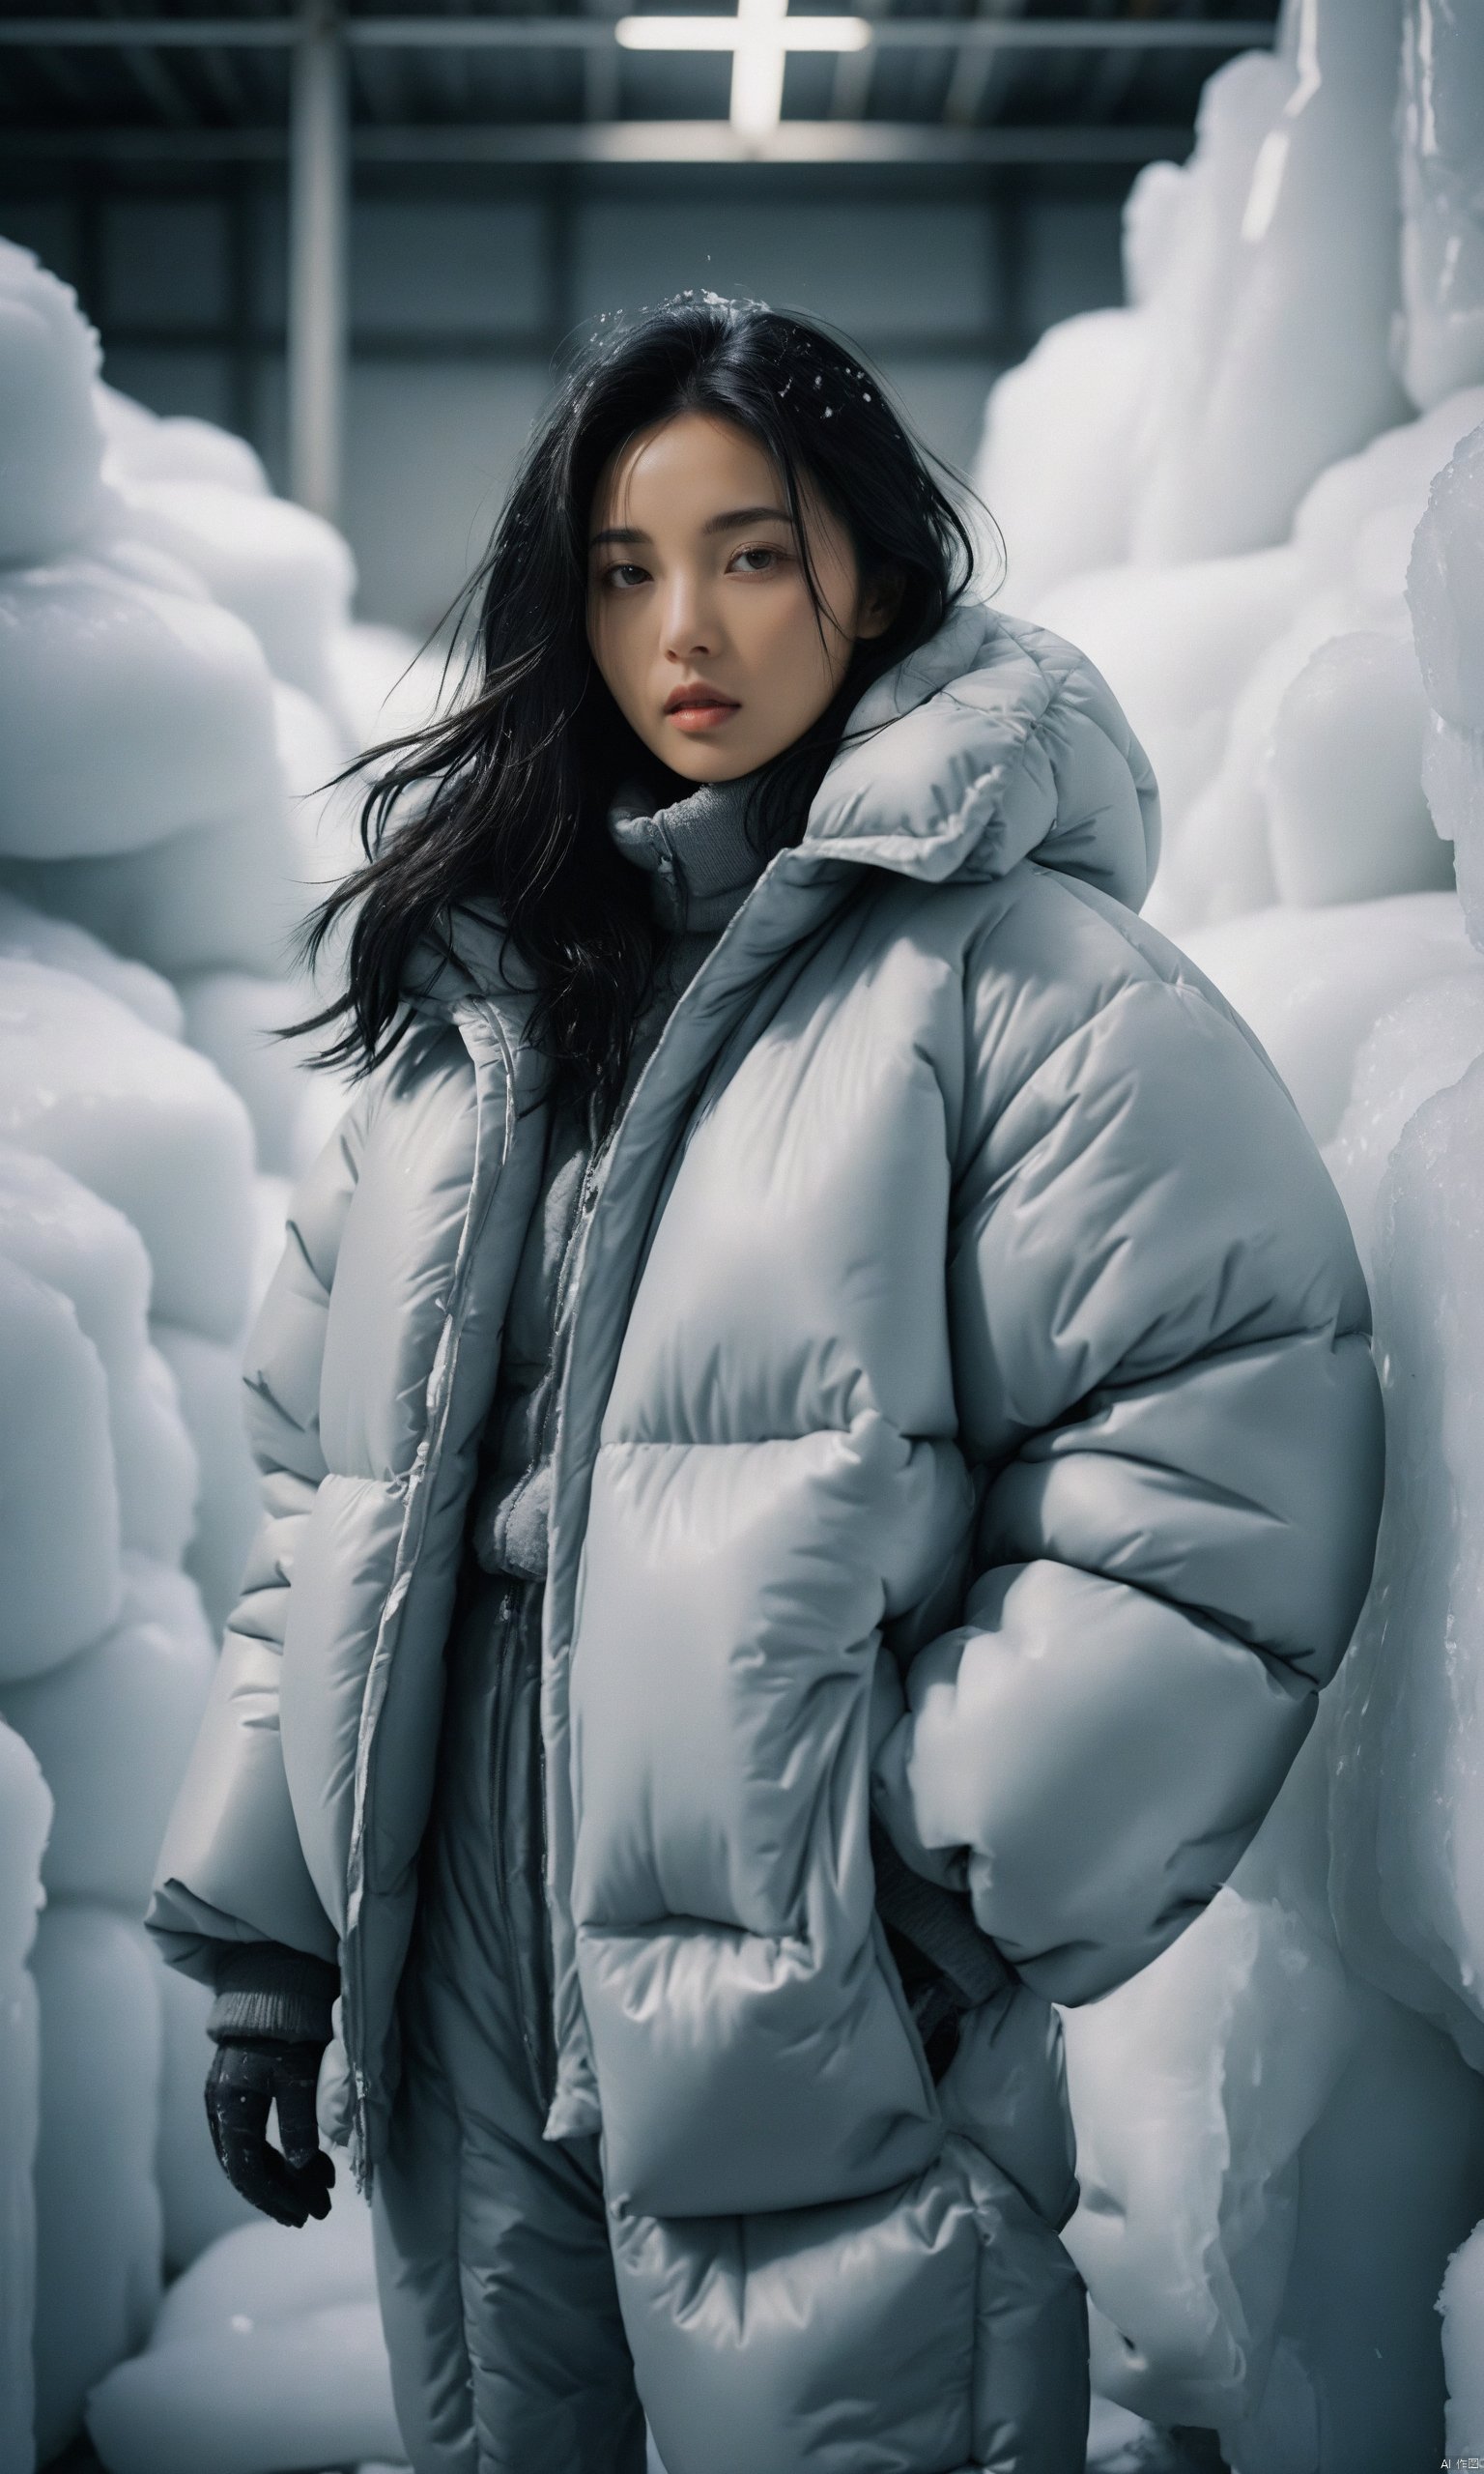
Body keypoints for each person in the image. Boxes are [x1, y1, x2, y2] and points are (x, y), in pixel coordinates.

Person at [147, 296, 1384, 2474]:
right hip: (459, 1966)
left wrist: (926, 1873)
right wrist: (278, 1925)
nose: (682, 627)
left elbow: (1218, 1446)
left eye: (751, 550)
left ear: (876, 579)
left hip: (816, 1982)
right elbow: (321, 1487)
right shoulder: (485, 1015)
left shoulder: (1024, 984)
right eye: (625, 569)